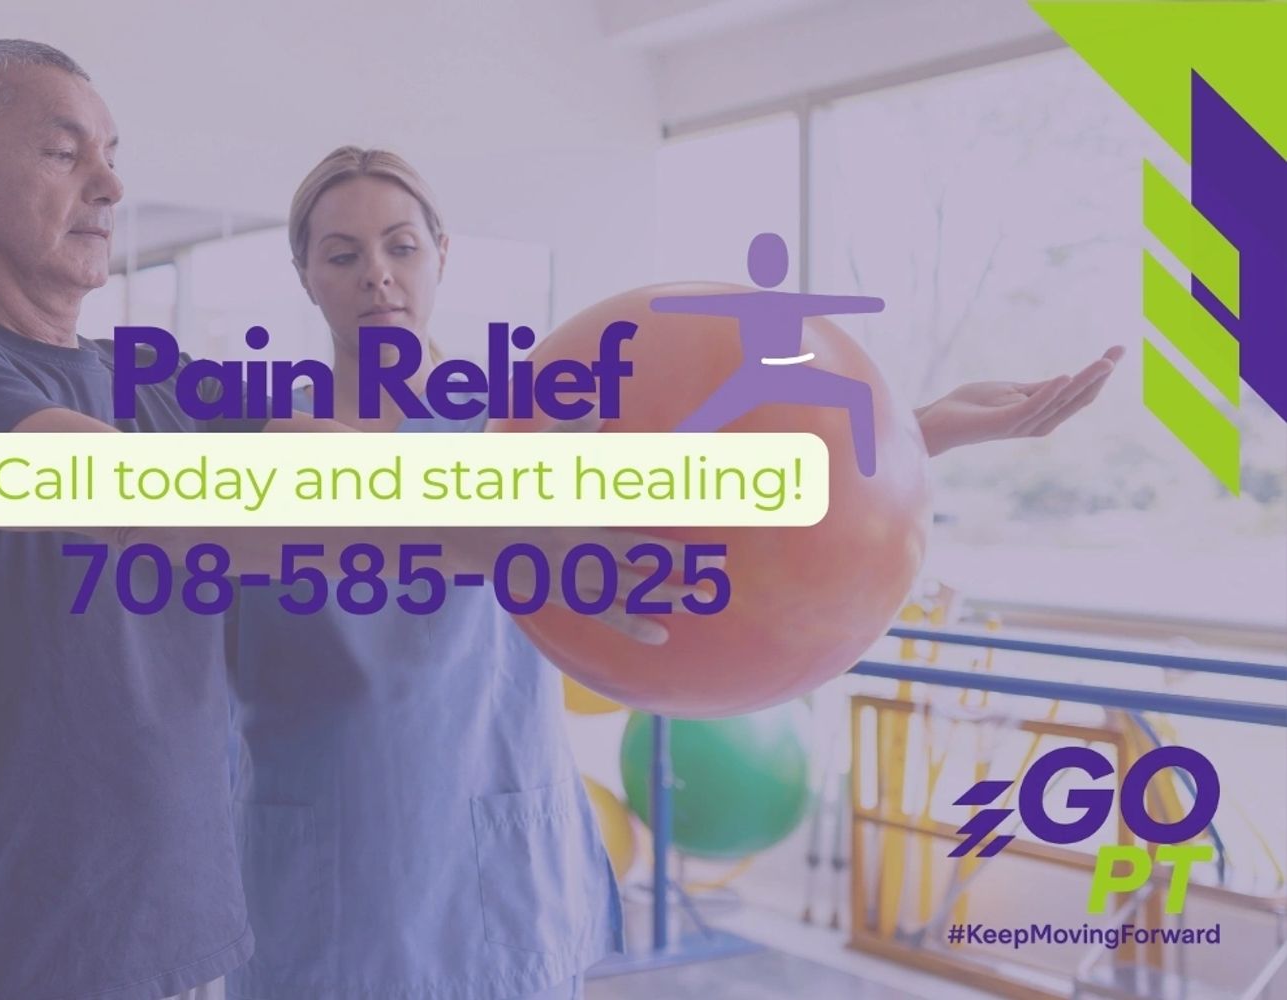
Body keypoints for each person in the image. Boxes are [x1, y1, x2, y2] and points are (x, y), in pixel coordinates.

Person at [0, 43, 664, 1000]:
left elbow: (323, 456)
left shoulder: (158, 382)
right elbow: (107, 494)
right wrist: (491, 529)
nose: (109, 183)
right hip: (5, 952)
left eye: (110, 152)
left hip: (183, 945)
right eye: (64, 154)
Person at [222, 146, 1124, 1000]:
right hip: (324, 875)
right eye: (341, 254)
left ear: (441, 256)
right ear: (305, 274)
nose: (375, 272)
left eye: (400, 245)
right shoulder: (261, 453)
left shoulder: (524, 423)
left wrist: (922, 430)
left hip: (489, 872)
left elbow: (710, 491)